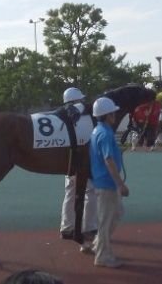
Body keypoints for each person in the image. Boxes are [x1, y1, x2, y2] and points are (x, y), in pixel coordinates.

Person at [89, 97, 129, 268]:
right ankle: (102, 256)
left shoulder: (99, 130)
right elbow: (108, 159)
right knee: (106, 220)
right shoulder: (105, 133)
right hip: (107, 183)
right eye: (113, 112)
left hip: (104, 182)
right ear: (108, 114)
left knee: (117, 212)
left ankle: (99, 245)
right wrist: (120, 183)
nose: (115, 114)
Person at [59, 87, 97, 248]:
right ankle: (88, 227)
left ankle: (66, 227)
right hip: (81, 161)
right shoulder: (83, 117)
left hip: (68, 162)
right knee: (90, 191)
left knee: (69, 192)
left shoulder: (62, 117)